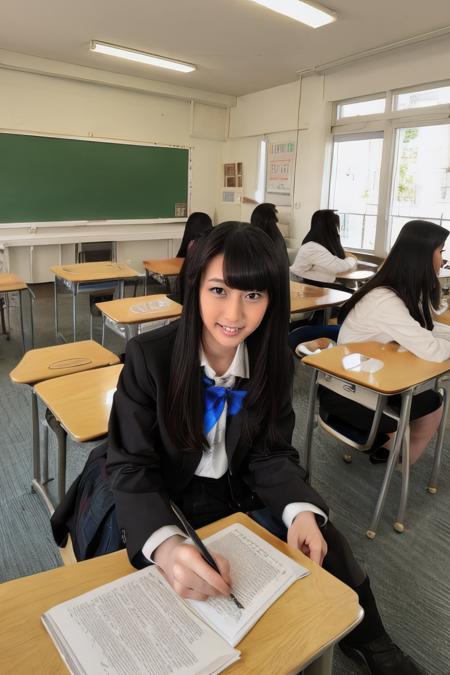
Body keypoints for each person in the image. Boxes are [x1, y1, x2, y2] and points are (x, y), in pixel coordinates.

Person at [104, 221, 424, 674]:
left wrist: (300, 512)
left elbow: (272, 453)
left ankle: (372, 640)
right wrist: (167, 546)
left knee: (324, 538)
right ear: (194, 285)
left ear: (272, 299)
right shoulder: (148, 358)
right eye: (219, 290)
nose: (234, 313)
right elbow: (132, 467)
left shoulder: (270, 360)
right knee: (174, 598)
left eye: (253, 296)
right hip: (168, 494)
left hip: (239, 487)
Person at [323, 219, 450, 465]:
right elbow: (432, 350)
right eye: (441, 251)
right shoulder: (385, 299)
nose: (443, 260)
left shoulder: (397, 290)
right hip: (351, 393)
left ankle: (389, 451)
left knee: (427, 396)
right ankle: (398, 462)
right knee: (433, 402)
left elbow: (427, 329)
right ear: (422, 256)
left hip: (366, 379)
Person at [290, 209, 358, 290]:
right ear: (329, 226)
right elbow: (340, 266)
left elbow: (341, 260)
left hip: (315, 280)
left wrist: (348, 258)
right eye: (335, 225)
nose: (336, 229)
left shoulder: (324, 242)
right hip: (300, 282)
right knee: (350, 291)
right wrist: (353, 258)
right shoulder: (312, 247)